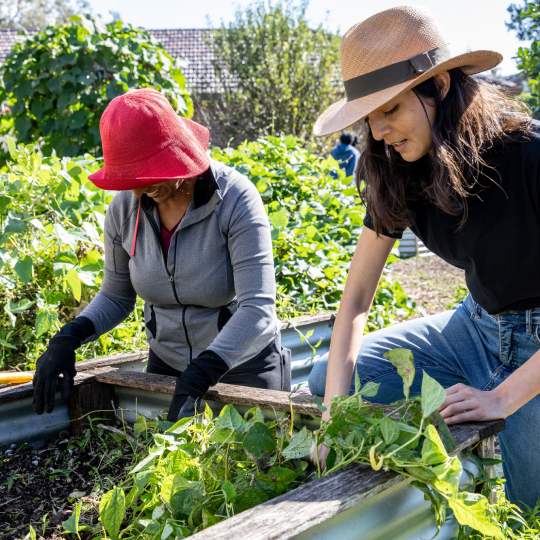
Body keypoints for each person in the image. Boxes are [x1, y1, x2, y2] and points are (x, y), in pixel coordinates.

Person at [309, 5, 540, 508]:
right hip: (474, 330)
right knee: (329, 379)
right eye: (369, 118)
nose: (378, 133)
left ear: (438, 88)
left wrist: (502, 398)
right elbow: (355, 300)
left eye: (390, 110)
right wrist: (332, 416)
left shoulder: (529, 155)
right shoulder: (398, 170)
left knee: (531, 509)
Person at [32, 88, 291, 422]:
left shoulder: (235, 199)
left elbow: (258, 308)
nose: (139, 190)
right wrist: (68, 338)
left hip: (241, 363)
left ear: (177, 156)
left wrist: (205, 369)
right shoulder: (125, 209)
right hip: (167, 363)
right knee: (162, 463)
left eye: (148, 176)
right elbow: (116, 296)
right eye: (132, 180)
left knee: (249, 463)